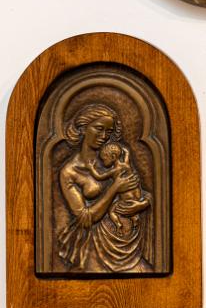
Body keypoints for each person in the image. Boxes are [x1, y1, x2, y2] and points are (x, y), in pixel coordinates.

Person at [55, 104, 153, 273]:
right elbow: (85, 218)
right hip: (96, 248)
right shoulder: (70, 171)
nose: (104, 136)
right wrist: (115, 188)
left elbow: (140, 191)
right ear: (83, 128)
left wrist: (143, 204)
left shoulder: (115, 159)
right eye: (99, 129)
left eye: (108, 131)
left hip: (128, 242)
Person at [87, 142, 147, 232]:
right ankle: (134, 218)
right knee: (130, 206)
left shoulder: (114, 170)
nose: (103, 163)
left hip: (126, 198)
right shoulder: (126, 165)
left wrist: (91, 168)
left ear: (113, 157)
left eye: (104, 159)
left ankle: (118, 224)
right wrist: (125, 151)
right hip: (137, 195)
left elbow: (99, 177)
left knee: (112, 211)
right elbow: (127, 155)